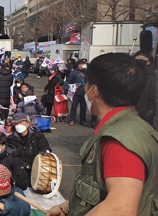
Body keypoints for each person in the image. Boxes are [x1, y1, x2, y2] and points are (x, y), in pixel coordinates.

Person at [47, 53, 158, 216]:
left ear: (94, 91)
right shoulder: (134, 127)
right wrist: (68, 207)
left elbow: (120, 209)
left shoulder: (120, 141)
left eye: (87, 83)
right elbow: (102, 192)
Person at [7, 113, 51, 179]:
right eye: (16, 123)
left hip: (37, 170)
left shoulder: (38, 136)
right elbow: (11, 156)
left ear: (28, 123)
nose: (18, 125)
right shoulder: (11, 139)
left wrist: (43, 153)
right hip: (19, 171)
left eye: (21, 122)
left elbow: (46, 149)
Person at [134, 51, 156, 127]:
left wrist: (147, 115)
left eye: (143, 58)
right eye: (139, 57)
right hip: (130, 116)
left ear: (148, 62)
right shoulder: (130, 75)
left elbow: (153, 99)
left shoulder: (152, 78)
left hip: (145, 118)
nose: (141, 59)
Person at [66, 60, 88, 126]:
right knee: (74, 107)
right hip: (75, 92)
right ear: (77, 65)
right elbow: (68, 81)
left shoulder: (86, 73)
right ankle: (72, 120)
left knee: (83, 108)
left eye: (83, 64)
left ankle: (83, 120)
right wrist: (66, 89)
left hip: (84, 92)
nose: (81, 66)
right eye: (80, 64)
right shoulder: (74, 72)